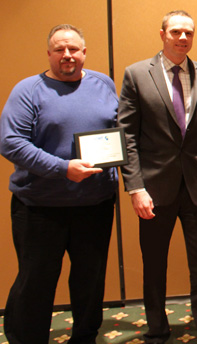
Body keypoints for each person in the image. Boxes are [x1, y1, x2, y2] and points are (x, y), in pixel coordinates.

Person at [0, 24, 118, 343]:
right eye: (60, 49)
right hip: (39, 208)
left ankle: (85, 336)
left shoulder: (104, 84)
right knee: (35, 283)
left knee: (90, 282)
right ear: (49, 53)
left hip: (95, 205)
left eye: (74, 49)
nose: (67, 55)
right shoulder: (28, 90)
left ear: (84, 52)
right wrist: (62, 168)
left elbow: (118, 132)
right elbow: (11, 142)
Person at [117, 10, 197, 344]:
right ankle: (157, 329)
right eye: (177, 32)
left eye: (189, 33)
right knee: (154, 266)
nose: (183, 38)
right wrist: (135, 187)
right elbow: (128, 137)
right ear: (162, 33)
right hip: (153, 190)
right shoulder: (137, 74)